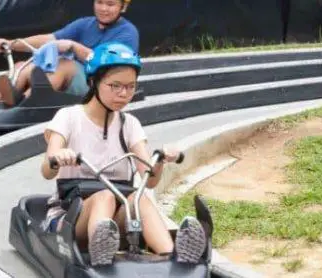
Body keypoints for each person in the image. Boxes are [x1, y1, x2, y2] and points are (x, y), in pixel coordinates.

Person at [40, 42, 207, 266]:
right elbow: (47, 171)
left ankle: (174, 258)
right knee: (105, 197)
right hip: (70, 214)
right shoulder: (68, 117)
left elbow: (150, 180)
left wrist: (160, 160)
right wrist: (58, 158)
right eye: (115, 86)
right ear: (94, 82)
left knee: (139, 201)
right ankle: (100, 260)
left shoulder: (130, 124)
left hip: (114, 220)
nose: (123, 94)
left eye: (130, 87)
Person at [0, 0, 139, 107]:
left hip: (99, 84)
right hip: (74, 79)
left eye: (110, 4)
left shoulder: (127, 33)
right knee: (23, 66)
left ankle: (24, 105)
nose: (104, 9)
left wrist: (74, 47)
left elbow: (112, 65)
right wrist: (12, 44)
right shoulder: (85, 24)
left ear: (122, 7)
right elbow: (49, 38)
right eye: (99, 2)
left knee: (63, 65)